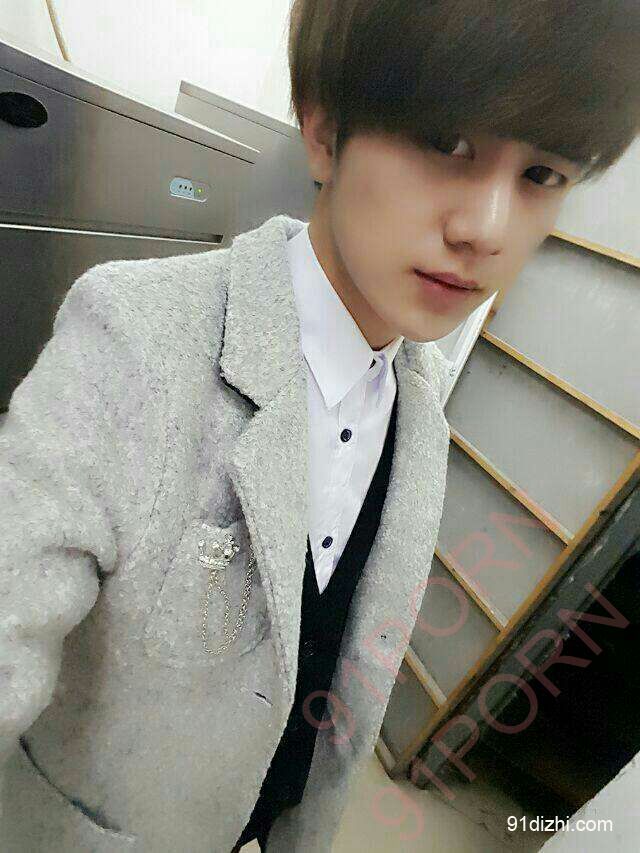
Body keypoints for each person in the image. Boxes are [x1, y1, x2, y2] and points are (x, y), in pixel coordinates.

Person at [1, 1, 638, 851]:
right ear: (325, 129)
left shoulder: (420, 405)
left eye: (543, 175)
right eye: (448, 142)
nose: (487, 230)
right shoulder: (136, 335)